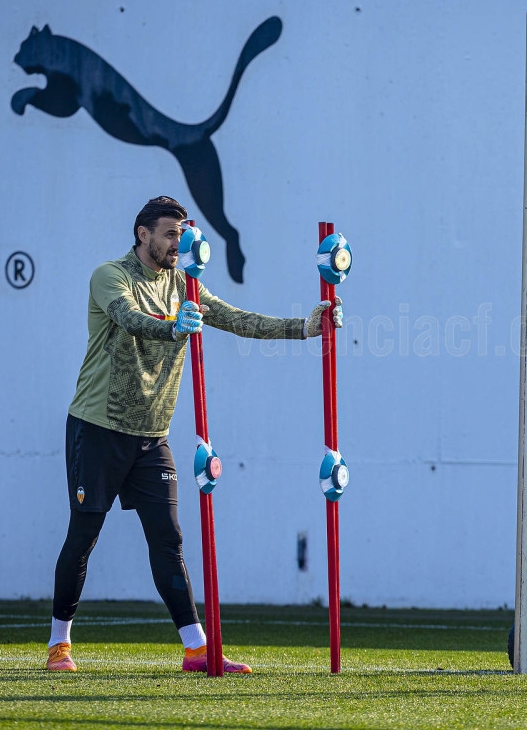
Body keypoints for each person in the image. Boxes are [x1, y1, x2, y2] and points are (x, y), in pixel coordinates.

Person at [45, 196, 342, 673]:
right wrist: (172, 326)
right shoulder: (110, 275)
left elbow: (240, 320)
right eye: (168, 234)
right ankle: (59, 643)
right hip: (98, 427)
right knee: (84, 536)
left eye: (181, 234)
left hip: (151, 435)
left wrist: (305, 327)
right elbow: (129, 319)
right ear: (143, 234)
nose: (176, 243)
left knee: (169, 538)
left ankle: (197, 648)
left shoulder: (187, 284)